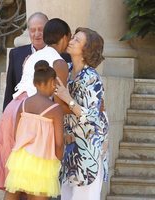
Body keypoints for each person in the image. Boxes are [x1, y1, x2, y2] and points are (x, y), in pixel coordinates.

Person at [0, 18, 71, 194]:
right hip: (35, 116)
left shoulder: (34, 56)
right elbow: (59, 103)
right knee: (36, 183)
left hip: (15, 111)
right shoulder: (59, 62)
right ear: (65, 37)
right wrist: (79, 111)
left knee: (17, 183)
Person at [54, 27, 109, 200]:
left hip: (88, 147)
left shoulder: (92, 78)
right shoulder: (67, 70)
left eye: (77, 40)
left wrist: (68, 98)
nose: (71, 41)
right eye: (73, 38)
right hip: (70, 146)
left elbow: (93, 117)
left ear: (86, 50)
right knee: (66, 195)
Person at [3, 60, 64, 200]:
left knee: (12, 194)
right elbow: (59, 143)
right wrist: (57, 160)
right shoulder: (55, 109)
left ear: (34, 83)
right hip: (44, 161)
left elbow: (16, 134)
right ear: (53, 83)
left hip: (21, 158)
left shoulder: (22, 105)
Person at [3, 12, 48, 110]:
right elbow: (10, 88)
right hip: (21, 112)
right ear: (28, 31)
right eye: (32, 30)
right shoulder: (16, 54)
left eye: (41, 29)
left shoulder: (60, 56)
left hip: (48, 113)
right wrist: (6, 115)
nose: (37, 34)